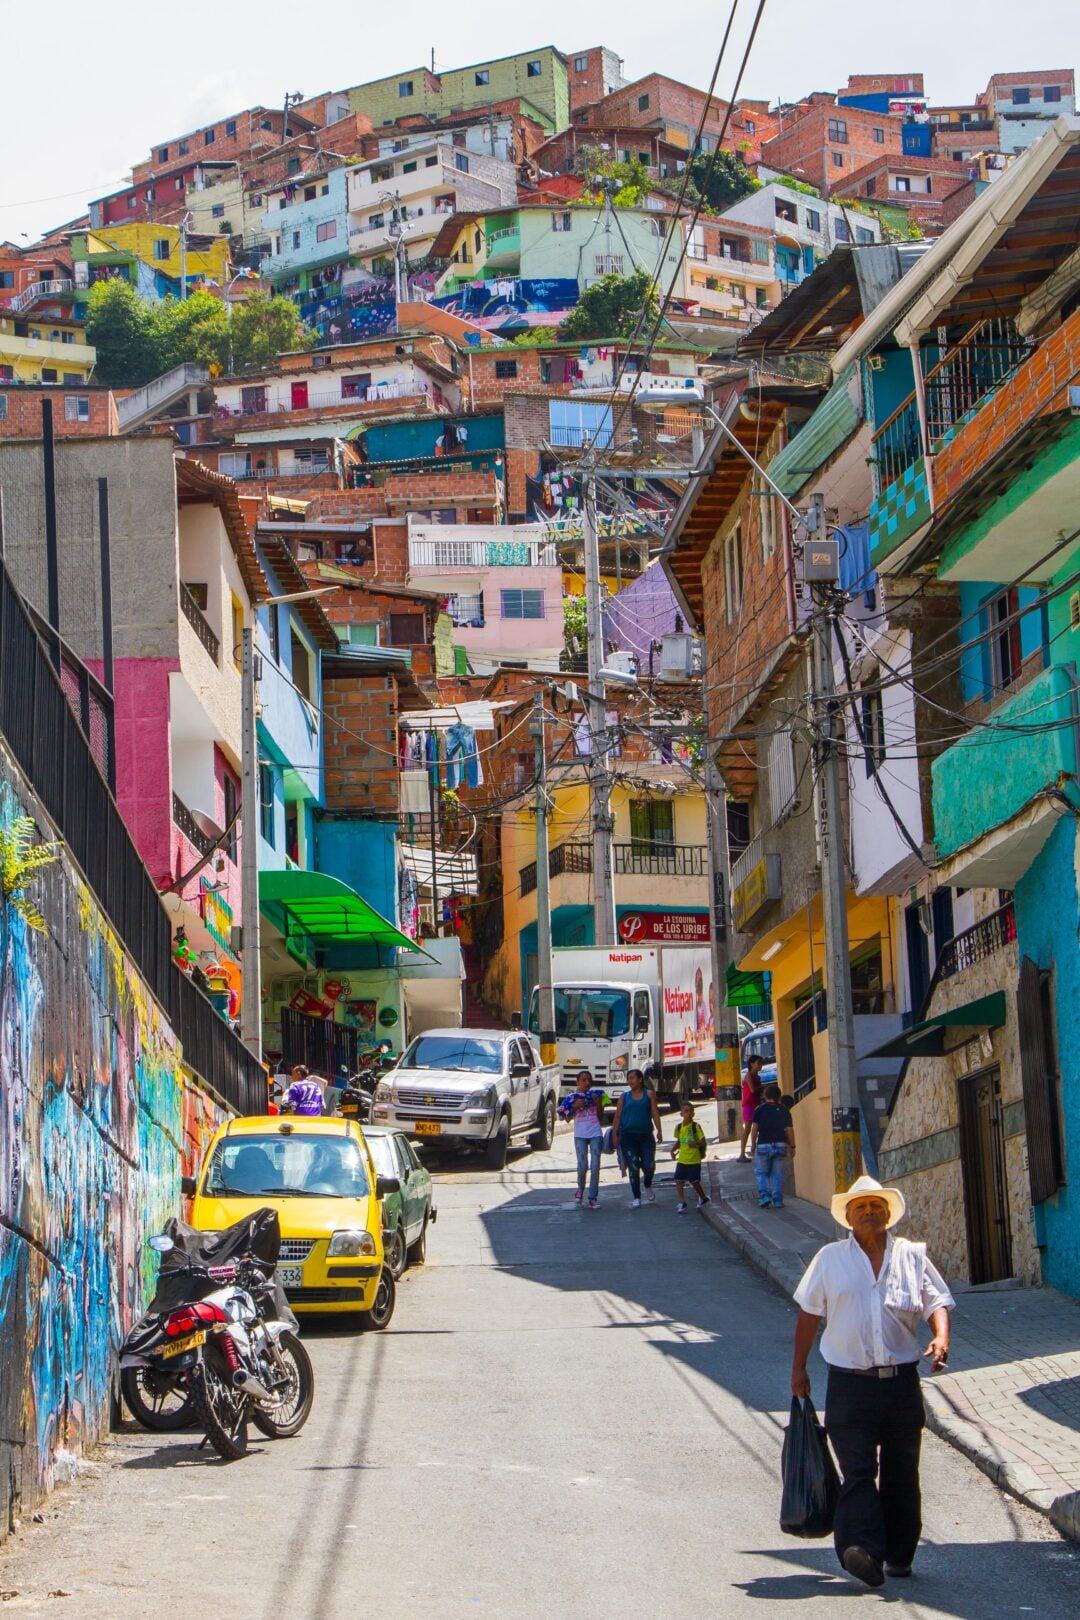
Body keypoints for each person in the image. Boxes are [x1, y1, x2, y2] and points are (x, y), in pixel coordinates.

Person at [790, 1175, 954, 1589]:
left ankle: (899, 1554)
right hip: (849, 1384)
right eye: (860, 1207)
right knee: (858, 1469)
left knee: (902, 1470)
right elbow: (809, 1314)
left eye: (876, 1207)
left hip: (901, 1383)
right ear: (847, 1217)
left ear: (887, 1215)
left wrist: (940, 1337)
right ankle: (860, 1550)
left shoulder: (912, 1256)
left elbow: (936, 1300)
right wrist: (799, 1368)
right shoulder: (830, 1259)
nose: (869, 1212)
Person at [612, 1068, 663, 1208]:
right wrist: (614, 1135)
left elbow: (655, 1113)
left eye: (633, 1078)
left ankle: (647, 1184)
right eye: (629, 1078)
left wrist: (659, 1130)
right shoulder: (624, 1097)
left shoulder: (649, 1094)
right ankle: (636, 1196)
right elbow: (617, 1116)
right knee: (633, 1166)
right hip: (628, 1137)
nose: (630, 1081)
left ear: (640, 1079)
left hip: (646, 1135)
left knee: (649, 1164)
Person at [559, 1070, 604, 1209]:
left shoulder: (596, 1096)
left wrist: (598, 1105)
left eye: (589, 1080)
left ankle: (593, 1197)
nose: (587, 1083)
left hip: (595, 1133)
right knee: (582, 1165)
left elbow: (601, 1118)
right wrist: (575, 1107)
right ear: (577, 1082)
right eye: (583, 1080)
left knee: (595, 1166)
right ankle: (580, 1189)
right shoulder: (572, 1098)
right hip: (580, 1135)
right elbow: (566, 1118)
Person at [750, 1082, 795, 1208]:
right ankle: (777, 1199)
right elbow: (789, 1130)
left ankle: (765, 1196)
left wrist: (753, 1145)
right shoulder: (784, 1111)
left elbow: (754, 1129)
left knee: (761, 1173)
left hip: (763, 1145)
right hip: (781, 1145)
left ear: (765, 1096)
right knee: (778, 1174)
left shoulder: (759, 1110)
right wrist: (793, 1146)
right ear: (779, 1096)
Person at [671, 1102, 710, 1213]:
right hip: (682, 1159)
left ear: (693, 1113)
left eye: (690, 1111)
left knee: (694, 1181)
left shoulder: (695, 1127)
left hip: (694, 1159)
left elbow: (703, 1142)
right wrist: (673, 1150)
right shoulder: (678, 1127)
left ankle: (703, 1198)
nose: (688, 1113)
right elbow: (679, 1141)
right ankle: (681, 1202)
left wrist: (695, 1143)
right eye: (686, 1111)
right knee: (678, 1179)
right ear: (681, 1114)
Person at [738, 1054, 764, 1161]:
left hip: (756, 1104)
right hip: (748, 1104)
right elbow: (753, 1090)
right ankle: (742, 1153)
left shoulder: (757, 1077)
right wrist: (762, 1088)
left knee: (756, 1127)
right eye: (758, 1063)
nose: (760, 1066)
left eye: (761, 1063)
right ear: (751, 1064)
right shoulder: (749, 1076)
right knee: (748, 1127)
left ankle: (754, 1147)